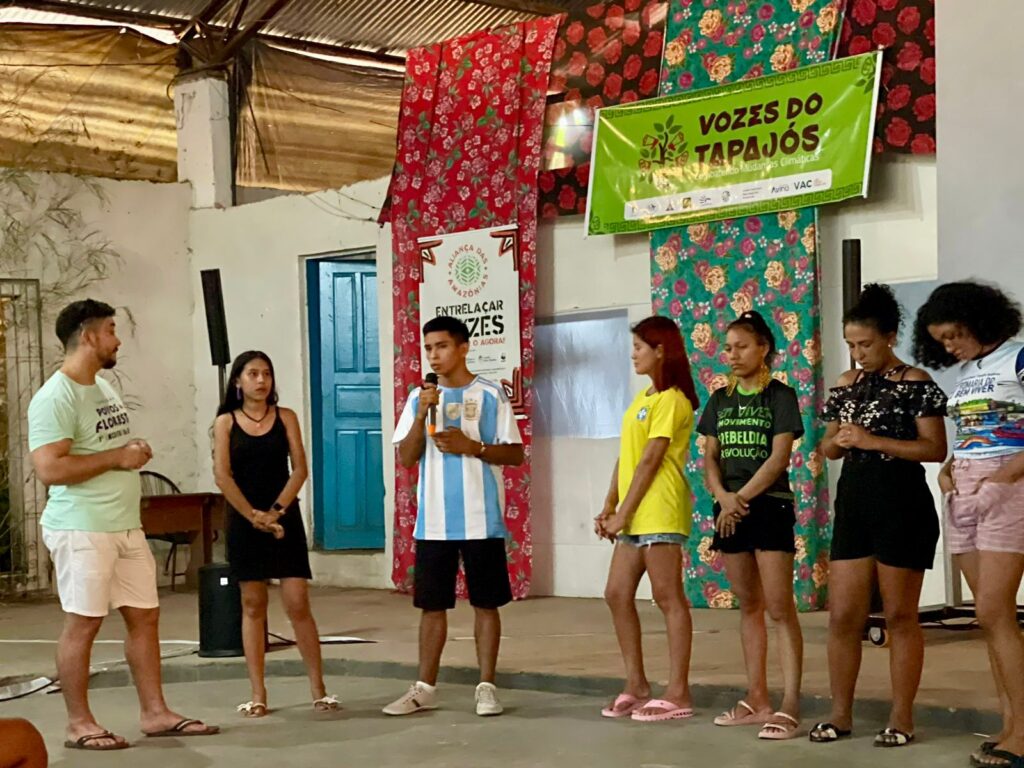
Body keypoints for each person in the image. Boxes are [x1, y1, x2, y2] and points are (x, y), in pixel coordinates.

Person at [28, 299, 218, 751]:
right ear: (88, 335)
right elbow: (50, 468)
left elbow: (104, 446)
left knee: (144, 617)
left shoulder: (102, 387)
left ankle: (155, 713)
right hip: (82, 527)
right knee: (84, 623)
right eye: (111, 330)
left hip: (124, 524)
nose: (118, 340)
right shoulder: (55, 397)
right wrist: (118, 457)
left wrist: (132, 449)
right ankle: (79, 723)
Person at [811, 284, 947, 748]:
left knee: (900, 615)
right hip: (855, 503)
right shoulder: (845, 384)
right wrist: (837, 441)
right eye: (851, 345)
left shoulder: (915, 382)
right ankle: (840, 714)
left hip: (902, 504)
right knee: (843, 616)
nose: (858, 354)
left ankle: (901, 717)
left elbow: (934, 448)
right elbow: (828, 447)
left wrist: (873, 441)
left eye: (865, 344)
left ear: (889, 337)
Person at [385, 315, 524, 717]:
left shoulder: (491, 394)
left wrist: (472, 446)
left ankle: (487, 687)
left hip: (481, 518)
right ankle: (424, 688)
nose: (434, 355)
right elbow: (407, 457)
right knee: (432, 605)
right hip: (434, 522)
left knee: (486, 603)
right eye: (428, 348)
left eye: (442, 346)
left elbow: (514, 453)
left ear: (463, 348)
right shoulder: (420, 398)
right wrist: (420, 415)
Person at [914, 281, 1024, 768]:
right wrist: (948, 468)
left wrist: (1006, 476)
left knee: (997, 610)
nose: (950, 346)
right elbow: (972, 432)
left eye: (955, 335)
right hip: (964, 488)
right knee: (987, 614)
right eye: (941, 340)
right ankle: (1010, 724)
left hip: (1008, 486)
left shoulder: (1018, 359)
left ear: (980, 322)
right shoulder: (966, 372)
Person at [213, 351, 338, 717]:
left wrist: (276, 511)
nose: (261, 381)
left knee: (297, 602)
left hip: (284, 516)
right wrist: (252, 515)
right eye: (252, 374)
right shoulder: (225, 422)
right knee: (252, 604)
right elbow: (222, 475)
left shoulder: (286, 417)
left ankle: (319, 688)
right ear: (238, 381)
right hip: (244, 518)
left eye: (266, 374)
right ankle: (258, 693)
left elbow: (299, 469)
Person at [698, 310, 804, 740]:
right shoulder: (719, 399)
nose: (733, 355)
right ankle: (757, 697)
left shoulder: (780, 396)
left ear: (764, 349)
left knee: (780, 607)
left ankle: (790, 703)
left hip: (768, 505)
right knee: (748, 605)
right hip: (728, 510)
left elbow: (779, 458)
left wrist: (739, 499)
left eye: (742, 347)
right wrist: (722, 497)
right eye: (727, 348)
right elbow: (710, 457)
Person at [594, 316, 700, 722]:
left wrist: (624, 513)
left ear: (660, 351)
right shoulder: (642, 398)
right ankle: (636, 683)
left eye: (639, 347)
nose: (633, 354)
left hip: (659, 511)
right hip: (633, 515)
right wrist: (611, 504)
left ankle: (679, 692)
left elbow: (652, 460)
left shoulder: (673, 400)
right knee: (616, 593)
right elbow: (629, 456)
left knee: (667, 596)